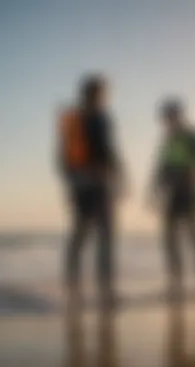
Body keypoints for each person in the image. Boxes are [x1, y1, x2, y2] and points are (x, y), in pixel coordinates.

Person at [57, 74, 124, 307]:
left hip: (95, 184)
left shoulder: (96, 118)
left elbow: (110, 151)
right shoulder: (76, 118)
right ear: (93, 94)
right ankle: (81, 291)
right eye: (101, 93)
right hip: (90, 185)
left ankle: (99, 291)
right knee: (88, 237)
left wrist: (120, 178)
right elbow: (65, 156)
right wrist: (74, 183)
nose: (104, 98)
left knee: (96, 238)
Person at [148, 97, 195, 296]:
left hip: (190, 193)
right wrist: (153, 192)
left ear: (178, 116)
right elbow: (160, 169)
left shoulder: (193, 137)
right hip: (173, 195)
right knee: (170, 239)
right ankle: (176, 281)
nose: (167, 121)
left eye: (169, 116)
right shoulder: (168, 141)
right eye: (165, 118)